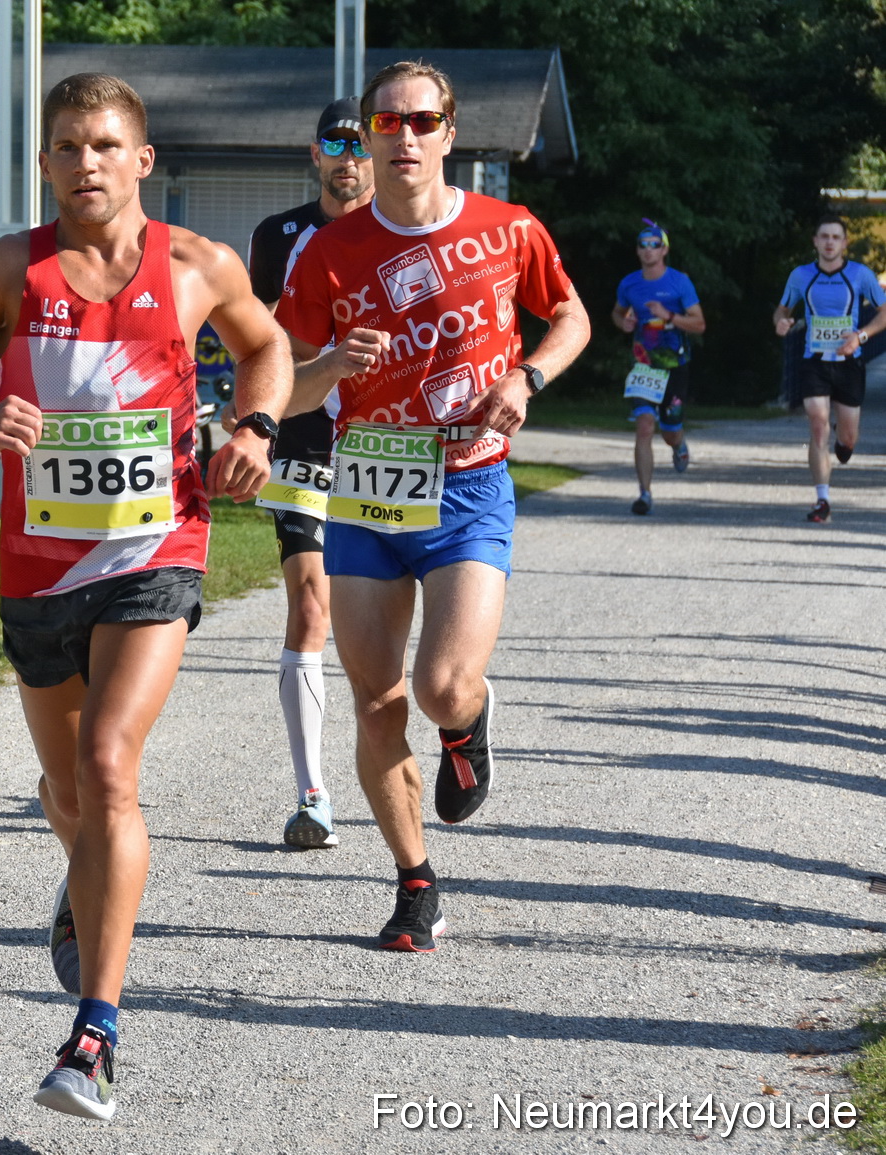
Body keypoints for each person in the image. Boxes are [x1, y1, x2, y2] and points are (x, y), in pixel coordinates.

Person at [0, 72, 290, 1121]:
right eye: (68, 146)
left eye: (106, 145)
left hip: (158, 549)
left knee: (109, 766)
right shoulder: (3, 269)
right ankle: (82, 885)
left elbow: (267, 348)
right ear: (44, 163)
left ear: (141, 159)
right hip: (39, 570)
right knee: (69, 793)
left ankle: (94, 1035)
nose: (87, 164)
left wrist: (253, 428)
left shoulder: (198, 266)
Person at [276, 60, 590, 952]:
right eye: (387, 123)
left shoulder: (507, 229)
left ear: (450, 132)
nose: (404, 137)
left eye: (422, 122)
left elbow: (570, 318)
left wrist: (527, 378)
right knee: (377, 702)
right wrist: (331, 368)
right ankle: (416, 883)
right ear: (367, 136)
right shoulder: (329, 252)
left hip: (469, 480)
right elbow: (281, 384)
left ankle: (468, 722)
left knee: (442, 684)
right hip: (371, 485)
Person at [241, 94, 374, 851]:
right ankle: (312, 792)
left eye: (362, 145)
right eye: (337, 144)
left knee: (380, 624)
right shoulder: (279, 236)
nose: (350, 158)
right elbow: (261, 344)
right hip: (302, 437)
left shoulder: (398, 234)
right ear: (315, 153)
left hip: (382, 448)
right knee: (311, 608)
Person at [772, 214, 885, 522]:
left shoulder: (861, 275)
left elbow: (884, 312)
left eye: (836, 237)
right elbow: (783, 308)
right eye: (824, 236)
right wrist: (781, 322)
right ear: (815, 242)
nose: (830, 242)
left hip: (849, 363)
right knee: (818, 425)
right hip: (814, 362)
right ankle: (822, 500)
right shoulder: (801, 276)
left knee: (849, 438)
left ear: (845, 243)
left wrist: (860, 336)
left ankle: (843, 441)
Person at [612, 219, 705, 515]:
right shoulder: (629, 283)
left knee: (670, 430)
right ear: (638, 251)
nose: (648, 249)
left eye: (654, 244)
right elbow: (617, 312)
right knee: (643, 426)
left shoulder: (679, 282)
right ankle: (645, 494)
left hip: (675, 365)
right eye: (643, 244)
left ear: (664, 249)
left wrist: (669, 317)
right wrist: (624, 322)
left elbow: (700, 324)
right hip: (643, 365)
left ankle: (678, 445)